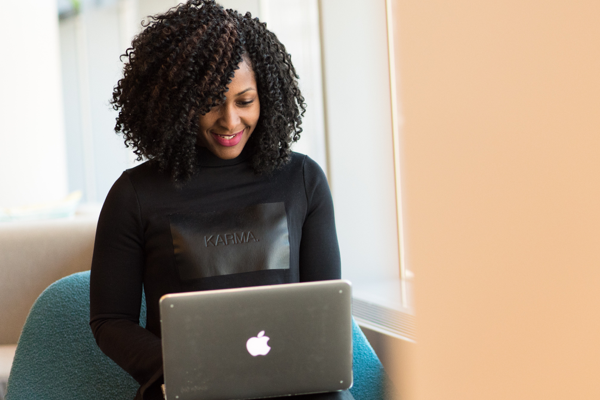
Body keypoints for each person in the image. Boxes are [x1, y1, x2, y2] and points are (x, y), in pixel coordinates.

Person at [89, 1, 353, 399]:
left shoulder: (303, 180)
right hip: (190, 389)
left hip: (299, 390)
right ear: (177, 104)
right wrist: (190, 367)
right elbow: (110, 321)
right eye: (210, 102)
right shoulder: (134, 195)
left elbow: (325, 309)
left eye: (244, 101)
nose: (230, 121)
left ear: (266, 96)